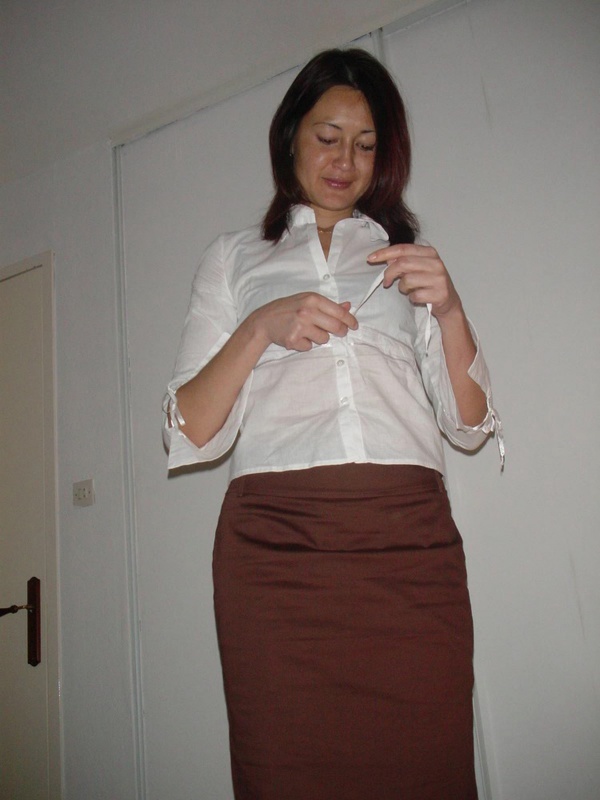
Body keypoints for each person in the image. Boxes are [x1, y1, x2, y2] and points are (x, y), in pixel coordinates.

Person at [163, 47, 501, 800]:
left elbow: (470, 426)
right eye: (327, 137)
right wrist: (260, 327)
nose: (345, 161)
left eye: (366, 144)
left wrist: (449, 309)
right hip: (275, 550)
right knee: (285, 769)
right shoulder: (233, 258)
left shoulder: (404, 259)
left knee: (428, 764)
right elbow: (189, 432)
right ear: (290, 135)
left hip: (407, 540)